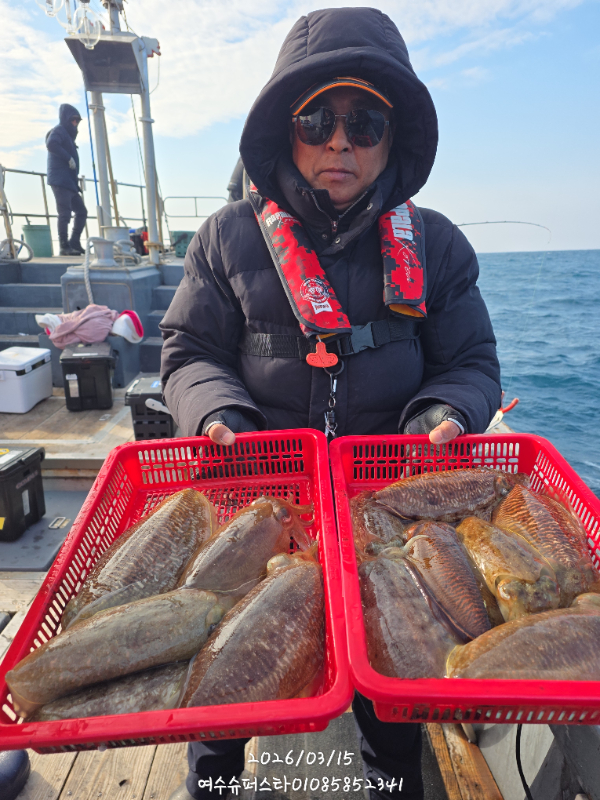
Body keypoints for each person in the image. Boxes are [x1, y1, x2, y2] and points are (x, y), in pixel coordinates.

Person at [161, 7, 501, 800]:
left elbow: (471, 363)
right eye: (317, 121)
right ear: (286, 133)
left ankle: (392, 780)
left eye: (365, 123)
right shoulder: (226, 238)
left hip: (385, 506)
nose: (340, 143)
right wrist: (217, 415)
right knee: (228, 677)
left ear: (393, 138)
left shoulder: (438, 244)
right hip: (262, 497)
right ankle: (214, 782)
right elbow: (190, 353)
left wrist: (444, 415)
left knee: (393, 693)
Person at [46, 104, 88, 256]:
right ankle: (64, 246)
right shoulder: (59, 130)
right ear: (65, 119)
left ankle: (74, 241)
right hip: (60, 180)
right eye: (73, 120)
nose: (75, 123)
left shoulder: (68, 135)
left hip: (70, 182)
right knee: (65, 213)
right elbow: (51, 144)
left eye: (77, 120)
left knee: (81, 211)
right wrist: (68, 157)